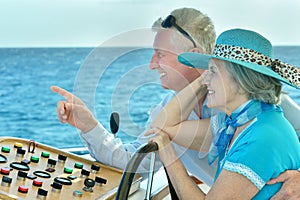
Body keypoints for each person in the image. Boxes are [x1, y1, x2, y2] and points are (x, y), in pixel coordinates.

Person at [51, 8, 300, 196]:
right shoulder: (225, 117)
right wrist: (88, 126)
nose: (151, 64)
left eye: (160, 54)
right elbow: (140, 156)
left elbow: (282, 147)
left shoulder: (273, 111)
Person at [147, 28, 300, 199]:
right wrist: (205, 78)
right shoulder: (235, 124)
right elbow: (163, 125)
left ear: (241, 81)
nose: (204, 80)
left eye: (213, 72)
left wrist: (168, 154)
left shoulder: (260, 137)